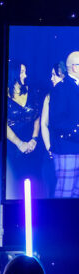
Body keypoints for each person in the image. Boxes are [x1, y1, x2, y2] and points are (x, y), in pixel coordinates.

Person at [45, 51, 79, 198]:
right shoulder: (61, 89)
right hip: (67, 148)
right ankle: (58, 220)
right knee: (65, 192)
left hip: (74, 147)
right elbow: (56, 122)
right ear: (74, 68)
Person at [5, 62, 42, 198]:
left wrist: (34, 139)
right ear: (13, 73)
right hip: (12, 144)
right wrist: (19, 143)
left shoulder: (32, 91)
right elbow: (3, 124)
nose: (25, 75)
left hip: (33, 142)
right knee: (16, 182)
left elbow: (37, 117)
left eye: (25, 71)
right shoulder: (4, 95)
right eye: (21, 72)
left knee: (35, 179)